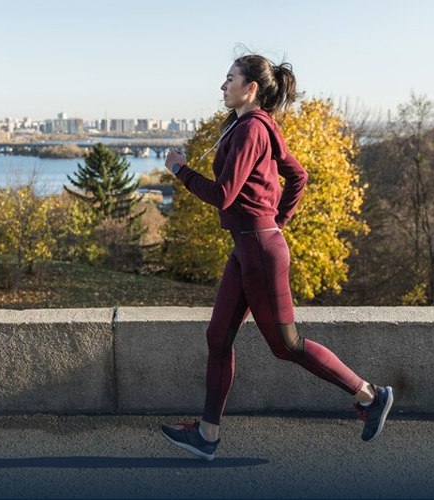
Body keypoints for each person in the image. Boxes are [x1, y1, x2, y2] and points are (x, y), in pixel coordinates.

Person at [160, 53, 394, 461]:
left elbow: (223, 195)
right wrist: (276, 223)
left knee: (286, 344)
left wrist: (180, 171)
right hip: (249, 245)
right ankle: (207, 433)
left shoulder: (252, 128)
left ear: (250, 87)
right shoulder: (252, 125)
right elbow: (297, 176)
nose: (222, 86)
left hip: (260, 250)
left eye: (229, 78)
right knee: (218, 337)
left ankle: (370, 395)